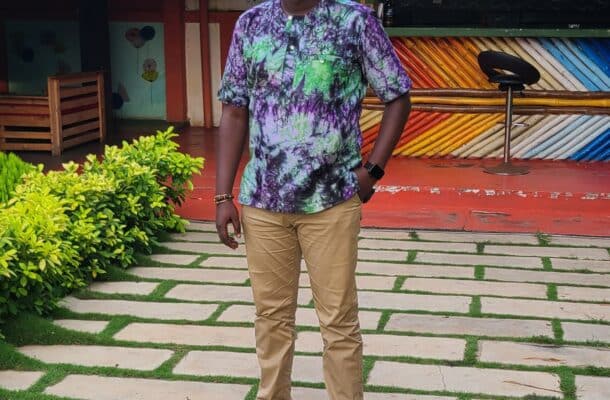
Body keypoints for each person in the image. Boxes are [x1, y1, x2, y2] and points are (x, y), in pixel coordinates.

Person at [215, 0, 411, 398]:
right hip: (263, 202)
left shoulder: (354, 21)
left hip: (331, 200)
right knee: (271, 318)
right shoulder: (251, 24)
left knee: (338, 322)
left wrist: (372, 171)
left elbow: (398, 96)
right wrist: (223, 195)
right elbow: (234, 110)